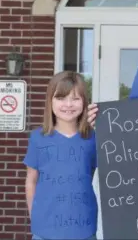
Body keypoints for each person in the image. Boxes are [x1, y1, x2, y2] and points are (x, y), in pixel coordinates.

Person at [24, 71, 98, 240]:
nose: (68, 104)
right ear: (50, 101)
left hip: (84, 228)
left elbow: (88, 173)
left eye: (75, 98)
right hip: (45, 230)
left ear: (85, 102)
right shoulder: (37, 138)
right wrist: (34, 216)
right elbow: (31, 180)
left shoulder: (93, 138)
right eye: (61, 98)